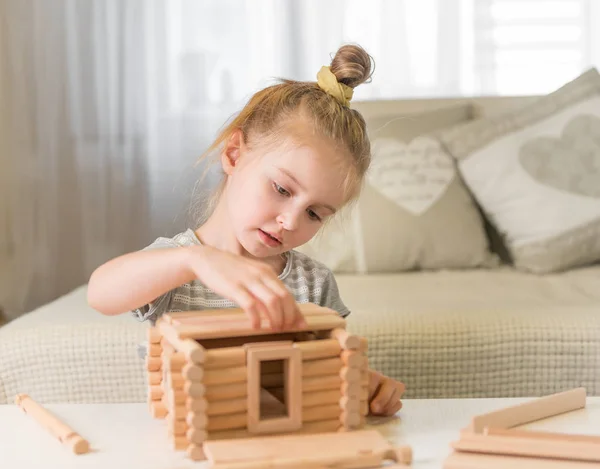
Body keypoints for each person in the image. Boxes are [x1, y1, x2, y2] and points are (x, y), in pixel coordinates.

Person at [88, 44, 405, 417]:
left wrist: (366, 384)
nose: (290, 221)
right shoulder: (179, 266)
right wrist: (197, 260)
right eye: (282, 189)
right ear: (235, 154)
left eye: (315, 214)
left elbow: (329, 366)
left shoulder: (313, 284)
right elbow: (101, 292)